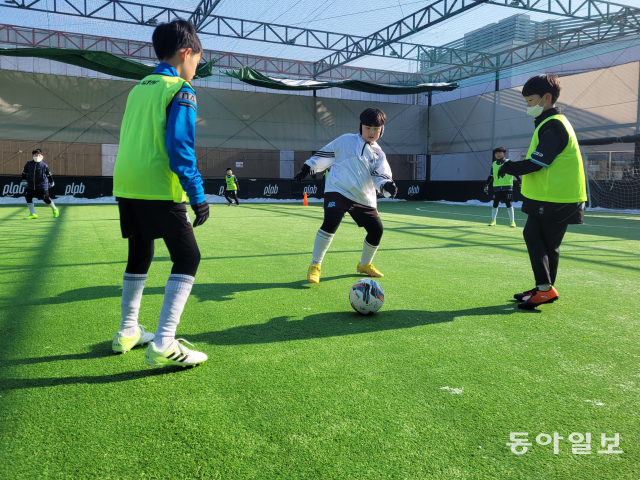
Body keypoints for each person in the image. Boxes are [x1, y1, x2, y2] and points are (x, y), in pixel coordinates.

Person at [111, 19, 210, 366]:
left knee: (140, 253)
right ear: (186, 53)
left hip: (127, 185)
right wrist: (197, 194)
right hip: (157, 187)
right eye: (197, 60)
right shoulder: (180, 89)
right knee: (188, 258)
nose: (196, 68)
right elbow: (180, 147)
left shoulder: (139, 88)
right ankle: (164, 343)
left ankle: (128, 331)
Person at [498, 74, 587, 310]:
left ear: (546, 98)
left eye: (530, 100)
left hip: (559, 197)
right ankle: (544, 288)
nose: (528, 105)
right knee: (537, 238)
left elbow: (538, 162)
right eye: (526, 101)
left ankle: (546, 289)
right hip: (551, 196)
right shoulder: (548, 123)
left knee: (545, 242)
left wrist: (509, 167)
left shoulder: (555, 125)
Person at [295, 108, 398, 284]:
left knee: (376, 230)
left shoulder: (379, 154)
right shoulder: (345, 141)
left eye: (376, 128)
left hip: (363, 197)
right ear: (361, 127)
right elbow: (325, 153)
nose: (372, 132)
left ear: (382, 129)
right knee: (331, 221)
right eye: (368, 128)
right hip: (338, 190)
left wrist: (387, 186)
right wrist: (307, 168)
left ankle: (365, 265)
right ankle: (315, 265)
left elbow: (381, 177)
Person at [484, 147, 519, 227]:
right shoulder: (494, 164)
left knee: (508, 204)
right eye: (496, 153)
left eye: (500, 153)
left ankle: (512, 222)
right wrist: (486, 184)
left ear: (504, 154)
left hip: (507, 187)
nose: (498, 154)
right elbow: (491, 175)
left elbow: (515, 172)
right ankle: (493, 221)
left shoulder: (508, 162)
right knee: (495, 203)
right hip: (496, 187)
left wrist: (520, 181)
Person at [21, 149, 59, 219]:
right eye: (35, 155)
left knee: (46, 199)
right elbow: (24, 173)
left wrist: (52, 181)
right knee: (28, 197)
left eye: (39, 155)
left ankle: (54, 209)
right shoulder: (28, 164)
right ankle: (33, 214)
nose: (37, 156)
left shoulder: (44, 165)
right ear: (32, 156)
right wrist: (24, 180)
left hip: (42, 186)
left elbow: (49, 175)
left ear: (42, 157)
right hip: (31, 185)